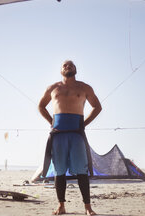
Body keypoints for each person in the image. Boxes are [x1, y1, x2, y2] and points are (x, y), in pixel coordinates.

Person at [38, 60, 102, 215]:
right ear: (61, 70)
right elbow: (41, 106)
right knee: (59, 170)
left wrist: (84, 124)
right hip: (58, 134)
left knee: (81, 169)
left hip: (76, 133)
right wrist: (51, 122)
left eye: (71, 65)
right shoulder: (53, 88)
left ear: (76, 69)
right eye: (65, 65)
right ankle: (61, 206)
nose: (68, 66)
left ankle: (88, 207)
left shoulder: (84, 87)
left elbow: (97, 107)